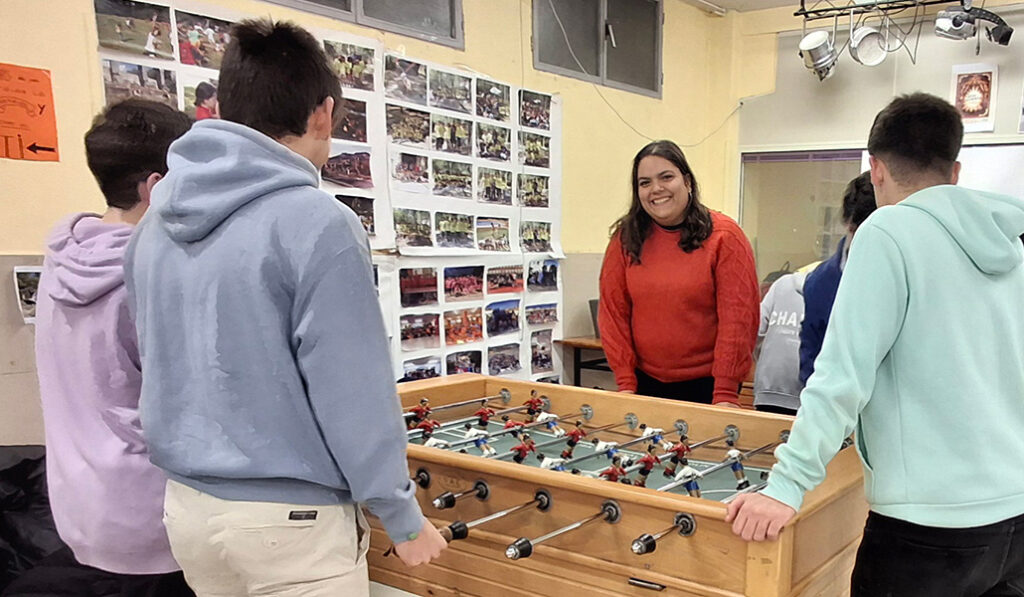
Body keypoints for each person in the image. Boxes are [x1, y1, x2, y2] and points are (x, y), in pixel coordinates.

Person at [124, 19, 445, 595]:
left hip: (187, 508)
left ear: (224, 103)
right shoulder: (318, 220)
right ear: (322, 113)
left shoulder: (153, 224)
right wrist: (401, 515)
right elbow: (351, 389)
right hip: (289, 521)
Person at [726, 93, 1024, 596]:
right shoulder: (1012, 244)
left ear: (876, 168)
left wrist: (784, 487)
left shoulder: (887, 230)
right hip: (1014, 517)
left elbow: (841, 376)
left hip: (928, 529)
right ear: (954, 171)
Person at [33, 100, 193, 594]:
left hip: (80, 513)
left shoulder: (61, 259)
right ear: (157, 186)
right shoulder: (150, 275)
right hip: (152, 525)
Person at [599, 140, 760, 405]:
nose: (656, 189)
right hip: (643, 383)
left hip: (709, 387)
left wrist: (726, 391)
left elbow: (739, 319)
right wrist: (626, 382)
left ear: (687, 181)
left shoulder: (726, 237)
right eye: (645, 182)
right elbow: (613, 313)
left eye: (666, 177)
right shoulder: (625, 239)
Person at [799, 172, 877, 384]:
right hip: (834, 402)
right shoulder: (820, 281)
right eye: (857, 231)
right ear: (849, 225)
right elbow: (810, 359)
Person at [753, 271, 808, 415]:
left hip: (768, 388)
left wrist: (764, 363)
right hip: (810, 393)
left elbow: (755, 330)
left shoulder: (783, 283)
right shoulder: (837, 289)